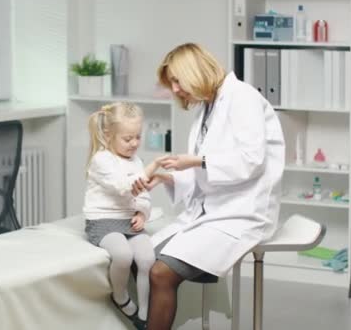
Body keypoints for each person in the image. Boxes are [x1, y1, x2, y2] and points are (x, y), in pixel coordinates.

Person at [131, 43, 285, 330]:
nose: (175, 90)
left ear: (194, 71)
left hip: (243, 215)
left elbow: (252, 161)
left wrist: (197, 160)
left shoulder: (243, 98)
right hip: (213, 212)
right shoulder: (207, 108)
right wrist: (168, 177)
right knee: (141, 260)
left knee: (161, 273)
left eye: (177, 80)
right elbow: (204, 177)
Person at [83, 102, 157, 330]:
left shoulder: (136, 161)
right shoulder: (101, 160)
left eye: (138, 137)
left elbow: (142, 195)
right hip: (103, 220)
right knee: (123, 256)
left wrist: (142, 214)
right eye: (127, 139)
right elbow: (122, 186)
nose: (134, 143)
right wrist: (151, 169)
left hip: (128, 218)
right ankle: (120, 295)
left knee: (147, 259)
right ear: (109, 135)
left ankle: (144, 314)